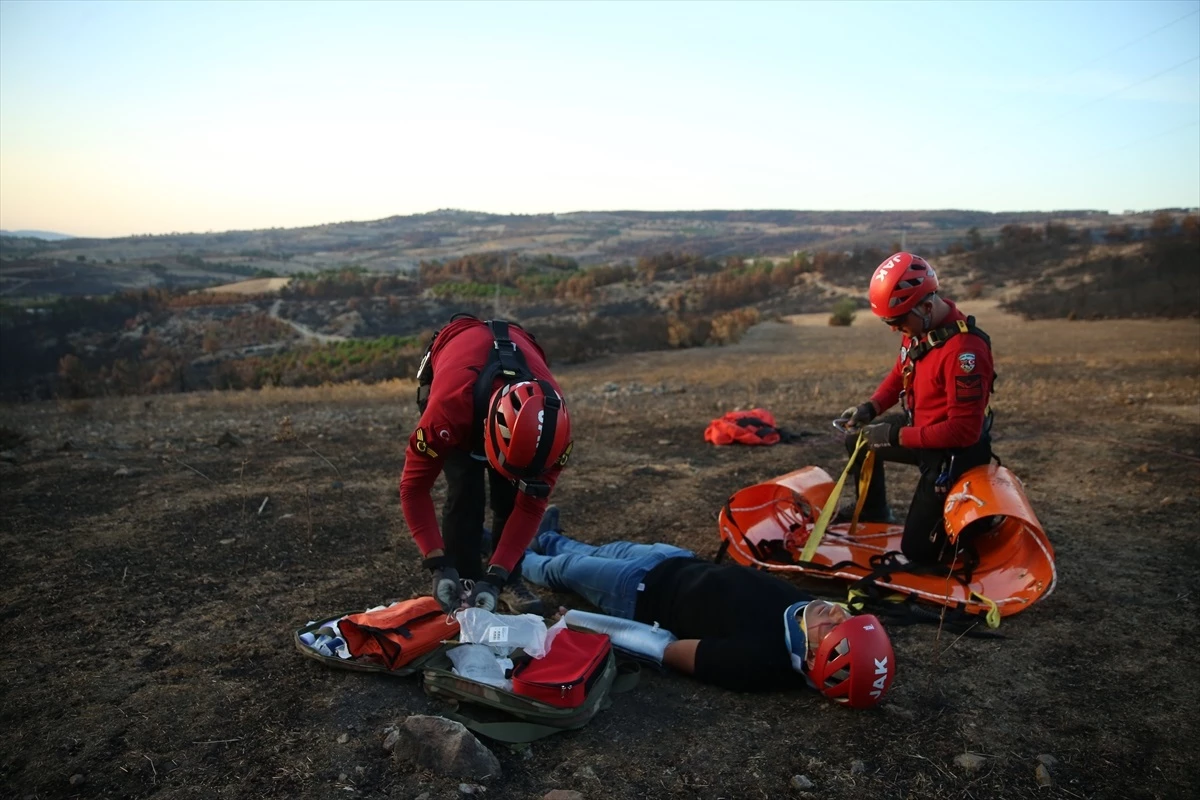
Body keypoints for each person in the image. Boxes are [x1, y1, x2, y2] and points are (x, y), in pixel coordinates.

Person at [522, 509, 895, 708]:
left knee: (564, 571)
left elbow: (665, 649)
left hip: (638, 592)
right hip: (673, 560)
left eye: (835, 629)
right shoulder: (802, 614)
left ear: (817, 661)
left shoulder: (754, 662)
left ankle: (513, 558)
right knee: (592, 551)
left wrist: (583, 623)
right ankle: (548, 538)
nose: (834, 612)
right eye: (845, 616)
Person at [399, 314, 573, 616]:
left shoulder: (556, 434)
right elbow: (414, 489)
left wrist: (497, 576)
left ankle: (506, 581)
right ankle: (461, 578)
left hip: (516, 356)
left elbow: (530, 507)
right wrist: (437, 563)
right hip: (459, 374)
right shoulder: (446, 415)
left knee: (511, 497)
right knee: (465, 491)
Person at [836, 252, 996, 564]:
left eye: (897, 322)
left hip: (953, 455)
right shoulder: (921, 330)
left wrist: (896, 436)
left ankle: (971, 524)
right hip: (922, 434)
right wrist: (871, 407)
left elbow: (963, 432)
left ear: (925, 306)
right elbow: (900, 372)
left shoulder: (965, 352)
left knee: (918, 553)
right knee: (858, 440)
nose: (894, 330)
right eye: (888, 322)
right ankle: (874, 511)